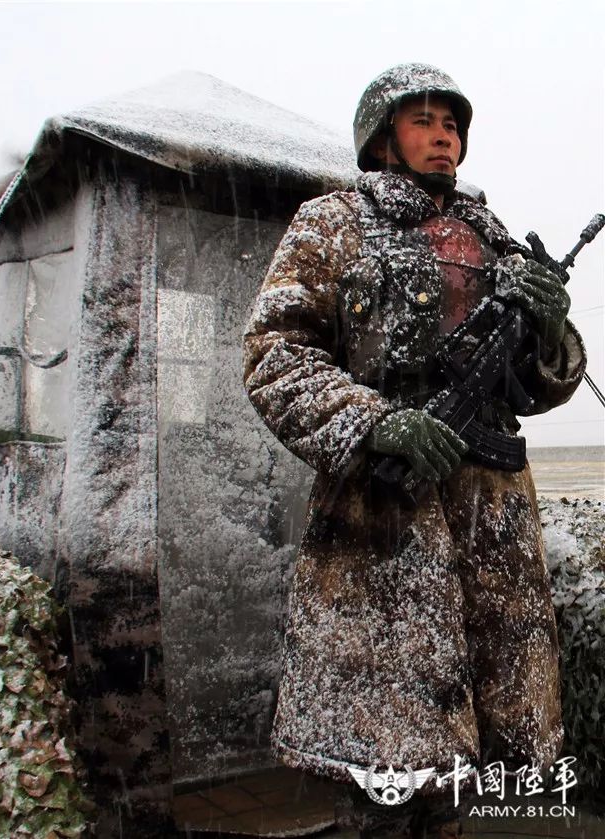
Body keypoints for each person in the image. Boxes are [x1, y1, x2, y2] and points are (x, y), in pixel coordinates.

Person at [242, 63, 586, 839]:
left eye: (452, 123)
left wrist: (550, 328)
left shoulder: (497, 239)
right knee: (383, 771)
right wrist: (373, 423)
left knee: (467, 774)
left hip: (489, 524)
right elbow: (275, 354)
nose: (444, 136)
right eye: (423, 120)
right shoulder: (333, 223)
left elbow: (537, 387)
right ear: (382, 138)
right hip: (384, 520)